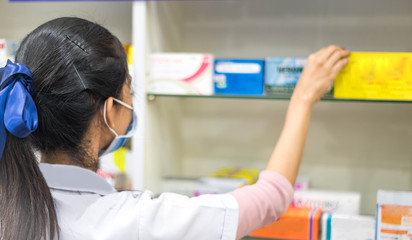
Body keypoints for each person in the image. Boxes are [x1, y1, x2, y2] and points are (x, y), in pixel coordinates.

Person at [0, 17, 350, 240]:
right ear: (110, 112)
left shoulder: (9, 203)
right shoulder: (140, 221)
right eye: (129, 90)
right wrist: (302, 98)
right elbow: (271, 197)